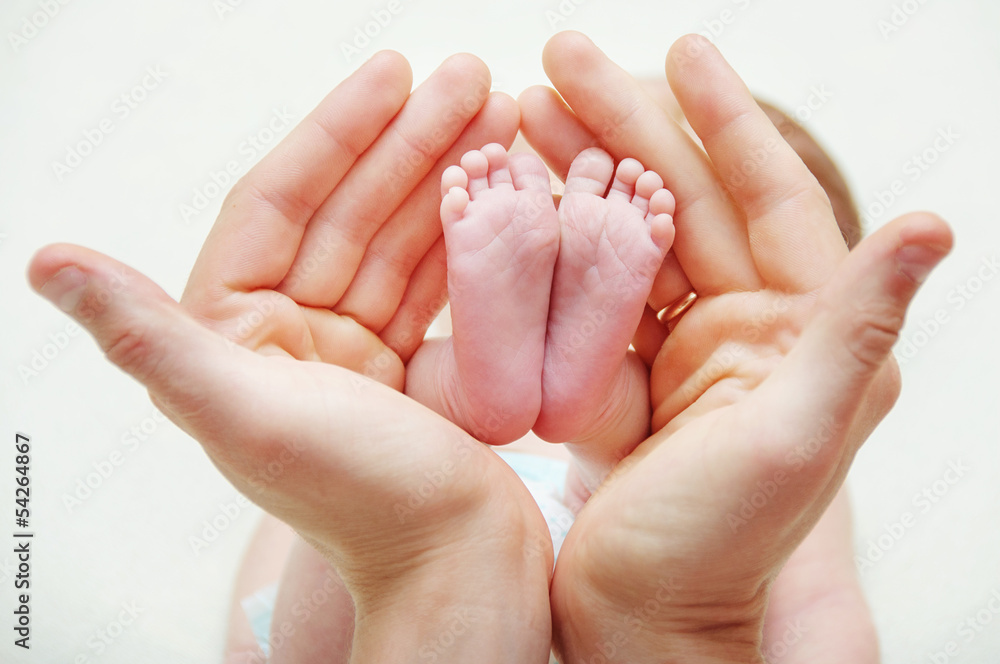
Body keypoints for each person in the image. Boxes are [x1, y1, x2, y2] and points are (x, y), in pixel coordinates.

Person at [28, 32, 952, 664]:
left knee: (364, 488)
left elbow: (260, 614)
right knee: (618, 447)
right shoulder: (779, 452)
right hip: (678, 581)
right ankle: (583, 430)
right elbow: (825, 619)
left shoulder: (767, 436)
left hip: (399, 598)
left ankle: (476, 428)